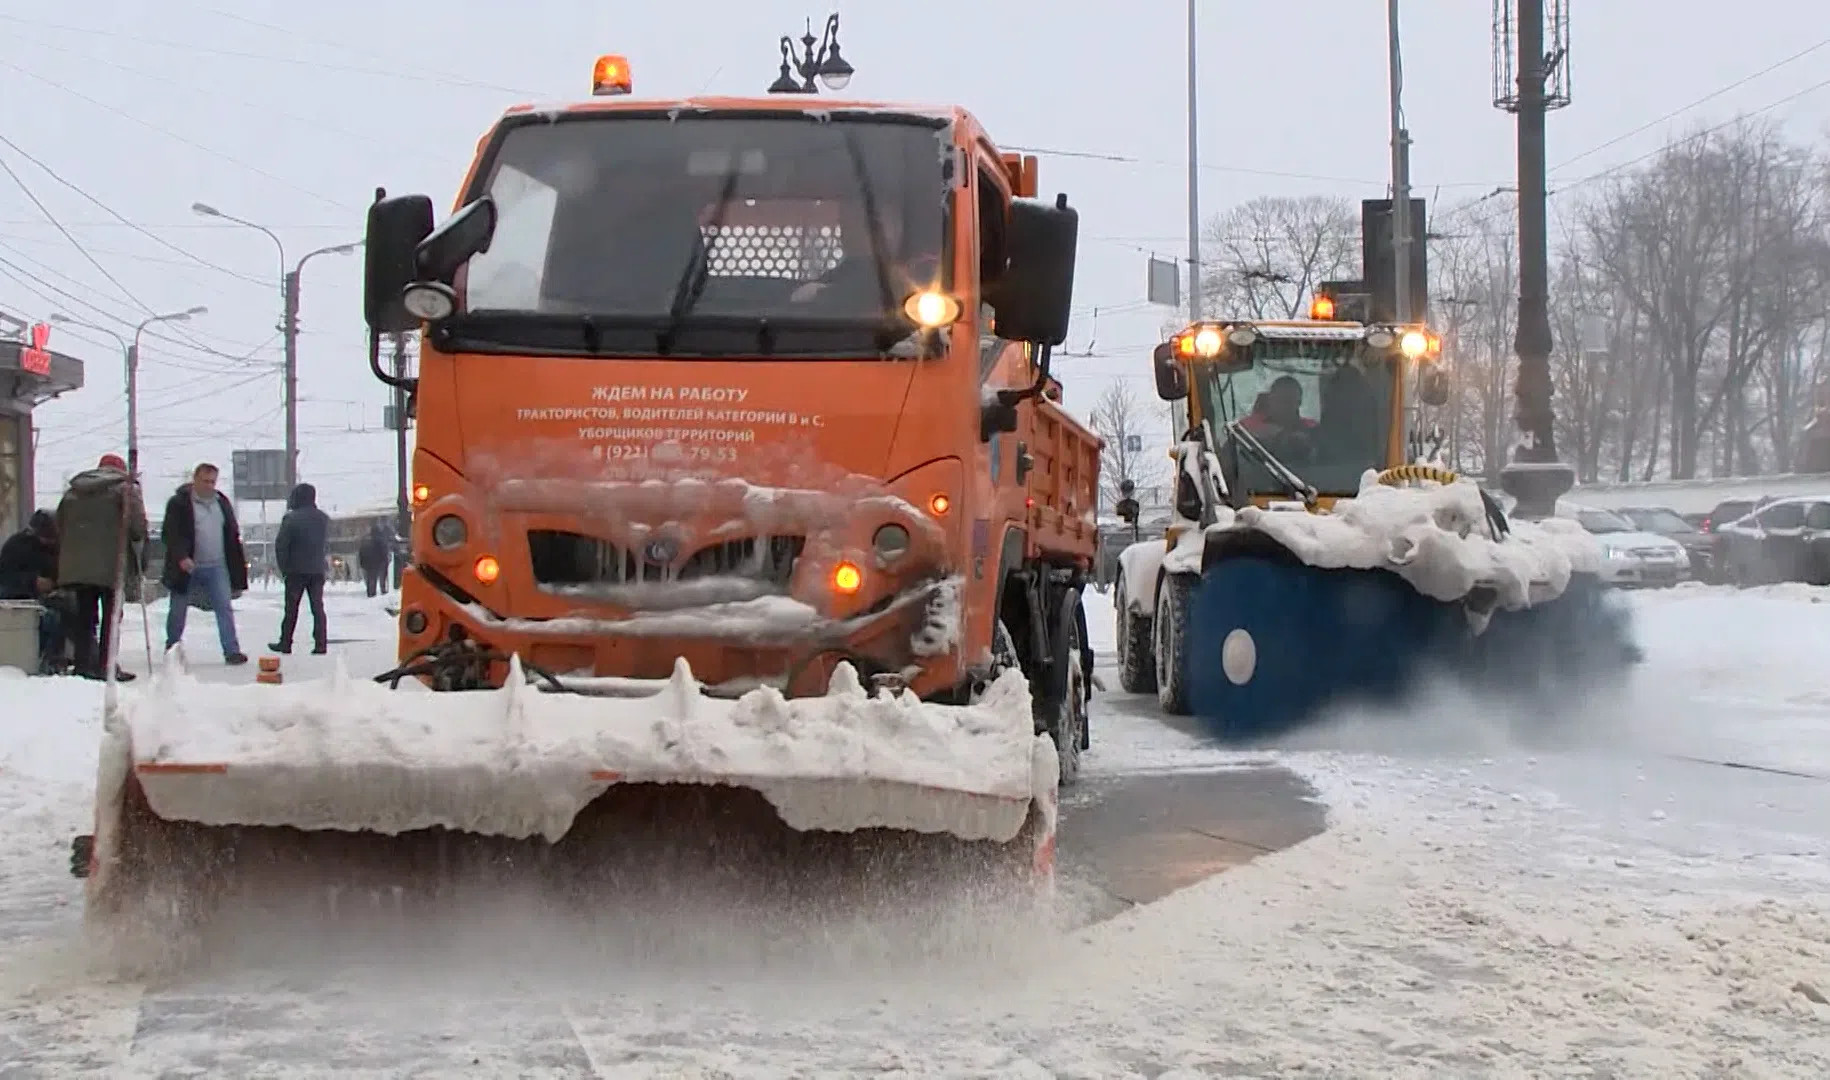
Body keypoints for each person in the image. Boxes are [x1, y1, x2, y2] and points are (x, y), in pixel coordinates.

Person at [53, 454, 147, 682]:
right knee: (112, 618)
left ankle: (84, 665)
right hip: (111, 565)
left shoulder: (73, 491)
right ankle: (106, 666)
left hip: (76, 567)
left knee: (85, 618)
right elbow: (137, 528)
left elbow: (59, 524)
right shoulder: (125, 489)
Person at [161, 462, 249, 666]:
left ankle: (231, 650)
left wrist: (236, 563)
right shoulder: (180, 503)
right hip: (188, 566)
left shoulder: (221, 503)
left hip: (216, 565)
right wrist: (182, 556)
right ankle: (172, 646)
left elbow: (231, 534)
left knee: (224, 607)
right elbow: (171, 534)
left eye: (213, 481)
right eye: (205, 481)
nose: (209, 485)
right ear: (195, 480)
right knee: (178, 608)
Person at [0, 509, 68, 674]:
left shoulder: (58, 548)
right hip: (19, 598)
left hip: (47, 597)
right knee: (49, 619)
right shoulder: (17, 546)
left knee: (67, 613)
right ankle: (44, 659)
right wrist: (32, 582)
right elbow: (6, 577)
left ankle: (56, 658)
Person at [270, 482, 330, 655]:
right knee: (318, 607)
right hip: (317, 570)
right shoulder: (322, 518)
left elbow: (281, 545)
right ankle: (320, 643)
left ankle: (286, 642)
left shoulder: (291, 518)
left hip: (296, 570)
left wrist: (284, 568)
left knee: (291, 609)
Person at [359, 522, 390, 597]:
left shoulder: (365, 539)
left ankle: (371, 592)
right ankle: (383, 590)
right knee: (382, 577)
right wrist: (385, 560)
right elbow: (383, 551)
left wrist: (362, 563)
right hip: (379, 562)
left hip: (368, 562)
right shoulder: (380, 540)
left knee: (371, 578)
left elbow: (361, 551)